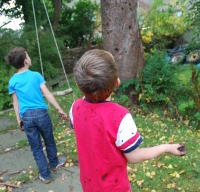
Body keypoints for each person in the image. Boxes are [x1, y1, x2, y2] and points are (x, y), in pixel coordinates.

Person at [69, 49, 187, 192]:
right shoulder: (120, 117)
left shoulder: (75, 109)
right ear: (117, 82)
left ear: (78, 84)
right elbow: (134, 156)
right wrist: (166, 147)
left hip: (88, 185)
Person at [5, 47, 68, 184]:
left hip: (27, 117)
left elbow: (16, 103)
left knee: (36, 147)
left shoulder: (12, 81)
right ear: (25, 60)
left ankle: (45, 176)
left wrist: (18, 119)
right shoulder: (36, 75)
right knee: (49, 140)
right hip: (42, 114)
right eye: (27, 55)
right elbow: (48, 94)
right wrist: (59, 109)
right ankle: (55, 164)